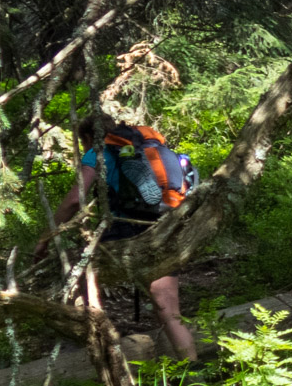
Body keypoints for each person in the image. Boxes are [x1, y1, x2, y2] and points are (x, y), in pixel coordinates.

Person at [33, 114, 199, 361]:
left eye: (83, 143)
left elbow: (74, 200)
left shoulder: (97, 153)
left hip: (128, 229)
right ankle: (193, 374)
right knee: (168, 309)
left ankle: (94, 338)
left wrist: (45, 238)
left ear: (88, 137)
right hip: (168, 225)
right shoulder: (147, 146)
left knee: (75, 269)